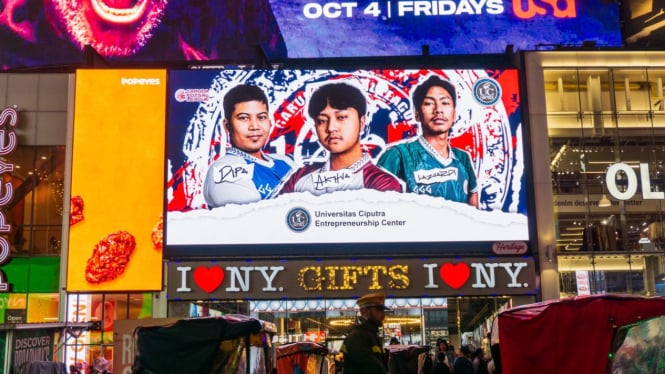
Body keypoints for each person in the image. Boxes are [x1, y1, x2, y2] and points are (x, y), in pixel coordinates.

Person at [278, 82, 403, 195]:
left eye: (341, 117)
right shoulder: (300, 176)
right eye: (322, 120)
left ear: (362, 122)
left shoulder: (381, 183)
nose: (331, 128)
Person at [377, 75, 479, 207]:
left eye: (445, 103)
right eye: (429, 103)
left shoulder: (462, 158)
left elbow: (474, 208)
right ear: (417, 114)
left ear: (454, 114)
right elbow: (377, 207)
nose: (438, 110)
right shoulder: (398, 155)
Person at [203, 84, 295, 207]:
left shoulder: (284, 161)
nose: (254, 126)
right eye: (244, 118)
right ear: (227, 126)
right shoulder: (224, 169)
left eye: (261, 117)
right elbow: (253, 221)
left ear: (270, 122)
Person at [340, 292, 390, 374]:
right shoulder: (357, 337)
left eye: (383, 310)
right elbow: (371, 368)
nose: (383, 314)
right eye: (379, 309)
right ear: (365, 311)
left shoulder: (372, 335)